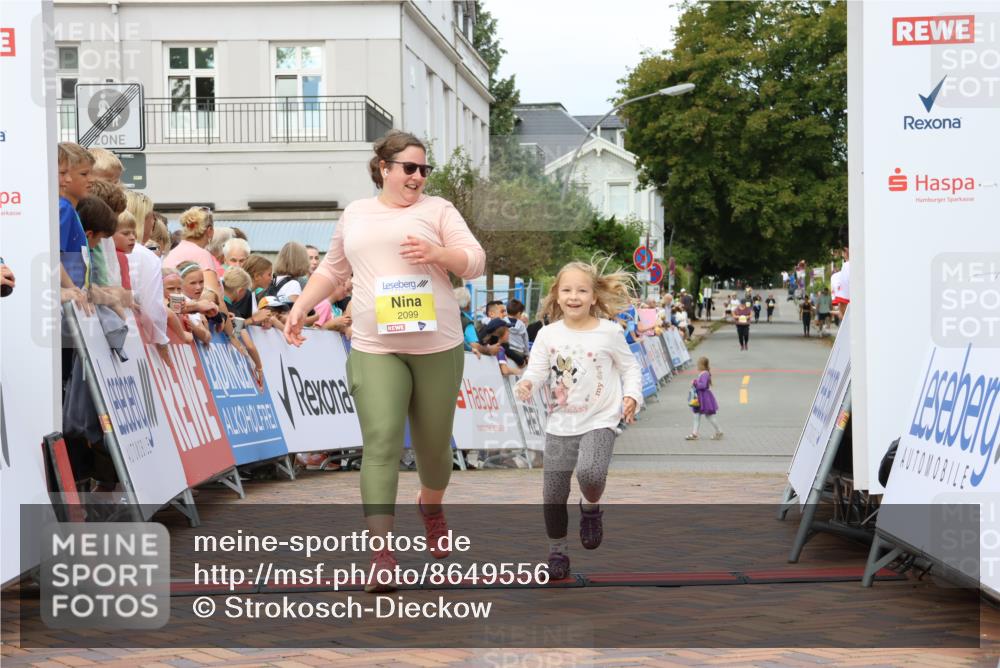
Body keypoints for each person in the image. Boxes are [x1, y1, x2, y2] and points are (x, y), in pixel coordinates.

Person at [283, 129, 485, 593]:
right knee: (381, 443)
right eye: (409, 168)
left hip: (437, 346)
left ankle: (431, 506)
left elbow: (475, 260)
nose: (417, 177)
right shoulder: (356, 214)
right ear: (384, 169)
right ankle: (381, 554)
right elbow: (333, 270)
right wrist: (299, 307)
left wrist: (439, 254)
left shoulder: (439, 211)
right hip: (375, 345)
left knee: (435, 452)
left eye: (423, 169)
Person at [513, 257, 642, 581]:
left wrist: (632, 396)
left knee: (591, 473)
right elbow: (538, 369)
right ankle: (557, 550)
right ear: (557, 295)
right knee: (553, 495)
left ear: (594, 296)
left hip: (600, 419)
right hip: (560, 424)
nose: (574, 296)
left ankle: (590, 507)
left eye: (582, 290)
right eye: (567, 290)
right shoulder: (547, 335)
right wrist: (528, 382)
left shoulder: (610, 332)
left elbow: (630, 368)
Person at [164, 207, 227, 316]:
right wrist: (231, 331)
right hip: (193, 320)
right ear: (210, 231)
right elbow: (213, 297)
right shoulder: (202, 254)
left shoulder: (171, 253)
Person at [686, 357, 723, 441]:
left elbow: (702, 385)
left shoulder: (705, 374)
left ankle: (719, 431)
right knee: (697, 415)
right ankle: (694, 433)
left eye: (698, 364)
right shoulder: (705, 373)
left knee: (708, 416)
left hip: (704, 398)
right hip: (701, 397)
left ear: (702, 365)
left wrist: (695, 382)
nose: (697, 366)